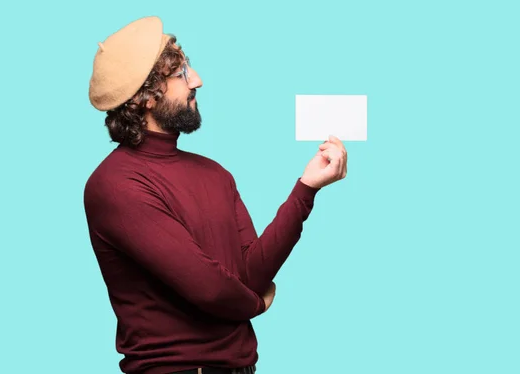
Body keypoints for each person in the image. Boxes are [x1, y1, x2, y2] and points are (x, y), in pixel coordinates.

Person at [83, 16, 348, 374]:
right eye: (180, 73)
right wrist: (258, 304)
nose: (197, 80)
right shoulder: (115, 185)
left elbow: (251, 272)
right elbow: (209, 289)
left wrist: (306, 188)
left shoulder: (215, 173)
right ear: (145, 98)